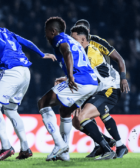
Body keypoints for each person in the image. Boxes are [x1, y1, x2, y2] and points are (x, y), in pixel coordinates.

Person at [0, 13, 56, 161]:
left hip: (11, 71)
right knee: (11, 110)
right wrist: (41, 53)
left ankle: (6, 147)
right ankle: (25, 148)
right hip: (25, 72)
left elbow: (0, 45)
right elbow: (24, 41)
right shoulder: (4, 30)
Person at [38, 17, 99, 161]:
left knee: (42, 103)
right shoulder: (72, 40)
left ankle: (59, 144)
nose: (45, 36)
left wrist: (70, 76)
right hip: (91, 82)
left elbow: (67, 53)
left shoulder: (59, 38)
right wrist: (67, 77)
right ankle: (64, 153)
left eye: (46, 32)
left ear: (53, 31)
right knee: (65, 111)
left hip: (79, 81)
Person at [68, 25, 128, 159]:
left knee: (82, 116)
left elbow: (82, 78)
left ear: (83, 39)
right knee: (76, 121)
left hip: (109, 88)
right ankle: (116, 144)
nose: (71, 42)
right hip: (98, 89)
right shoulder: (82, 51)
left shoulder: (90, 53)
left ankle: (106, 149)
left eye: (74, 39)